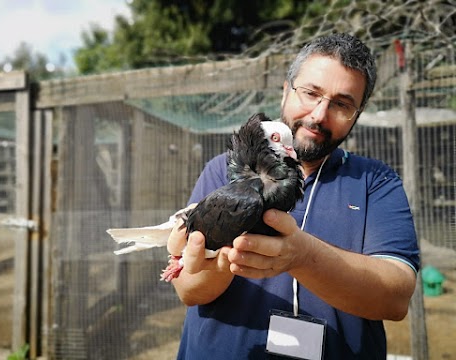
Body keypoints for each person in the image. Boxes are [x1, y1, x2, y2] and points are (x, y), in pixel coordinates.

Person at [167, 33, 420, 359]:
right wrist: (222, 255)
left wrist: (303, 256)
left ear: (357, 114)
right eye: (310, 93)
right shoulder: (225, 172)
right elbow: (188, 290)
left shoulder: (376, 182)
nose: (318, 114)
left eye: (342, 104)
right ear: (286, 91)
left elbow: (396, 300)